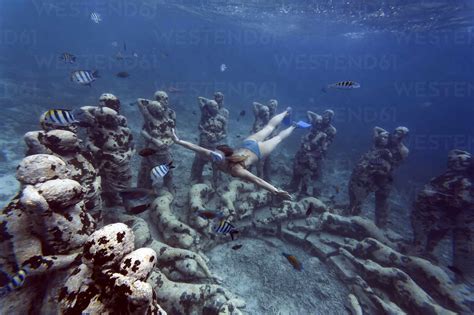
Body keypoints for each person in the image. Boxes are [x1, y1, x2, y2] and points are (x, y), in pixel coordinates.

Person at [172, 109, 298, 200]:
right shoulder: (217, 156)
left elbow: (257, 180)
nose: (214, 158)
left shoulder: (236, 169)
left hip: (257, 150)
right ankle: (286, 112)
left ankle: (293, 126)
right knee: (269, 128)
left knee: (278, 138)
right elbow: (195, 147)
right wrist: (178, 141)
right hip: (248, 144)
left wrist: (275, 191)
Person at [411, 149, 473, 282]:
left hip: (452, 220)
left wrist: (436, 200)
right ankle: (422, 262)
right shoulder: (451, 177)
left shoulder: (464, 182)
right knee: (430, 242)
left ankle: (460, 284)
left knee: (462, 253)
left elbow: (460, 202)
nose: (450, 162)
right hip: (440, 217)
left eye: (454, 160)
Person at [347, 127, 394, 227]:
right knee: (351, 196)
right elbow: (376, 128)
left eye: (386, 137)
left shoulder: (386, 153)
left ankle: (354, 223)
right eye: (382, 136)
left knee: (358, 201)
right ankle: (349, 217)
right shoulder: (375, 146)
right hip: (356, 176)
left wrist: (373, 170)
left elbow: (386, 170)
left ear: (389, 140)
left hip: (366, 181)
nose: (383, 138)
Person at [136, 91, 176, 191]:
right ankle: (142, 193)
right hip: (151, 151)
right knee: (145, 174)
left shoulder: (170, 113)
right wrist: (154, 103)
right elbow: (139, 101)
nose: (167, 101)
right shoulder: (149, 115)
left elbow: (172, 131)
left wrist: (170, 141)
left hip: (165, 150)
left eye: (167, 99)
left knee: (169, 173)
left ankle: (169, 190)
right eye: (164, 99)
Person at [288, 111, 327, 196]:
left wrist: (315, 156)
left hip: (311, 157)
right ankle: (293, 188)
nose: (318, 124)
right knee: (297, 171)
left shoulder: (323, 135)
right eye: (317, 122)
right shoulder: (310, 128)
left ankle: (303, 193)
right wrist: (318, 116)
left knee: (306, 175)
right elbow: (308, 113)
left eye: (320, 122)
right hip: (302, 154)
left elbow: (323, 148)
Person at [190, 98, 228, 184]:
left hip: (216, 144)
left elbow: (225, 133)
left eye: (217, 106)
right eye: (213, 106)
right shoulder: (204, 117)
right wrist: (206, 134)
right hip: (204, 143)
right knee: (200, 162)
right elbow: (200, 127)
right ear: (209, 108)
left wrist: (218, 136)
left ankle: (216, 182)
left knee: (216, 164)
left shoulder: (222, 119)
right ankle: (198, 179)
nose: (216, 108)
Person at [251, 100, 278, 180]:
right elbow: (254, 103)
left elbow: (274, 134)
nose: (267, 113)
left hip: (267, 146)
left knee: (265, 164)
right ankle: (258, 183)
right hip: (258, 146)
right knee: (258, 164)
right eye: (265, 112)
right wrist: (264, 107)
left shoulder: (273, 120)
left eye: (268, 111)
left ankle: (265, 181)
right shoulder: (258, 120)